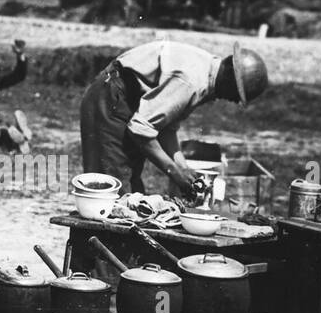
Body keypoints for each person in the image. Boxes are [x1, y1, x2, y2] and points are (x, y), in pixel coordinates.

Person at [79, 39, 268, 196]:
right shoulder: (191, 81)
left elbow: (166, 126)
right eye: (235, 95)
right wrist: (175, 172)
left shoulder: (207, 71)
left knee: (129, 187)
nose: (231, 100)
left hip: (128, 100)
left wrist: (183, 169)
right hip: (111, 96)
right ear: (229, 77)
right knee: (113, 187)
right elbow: (140, 129)